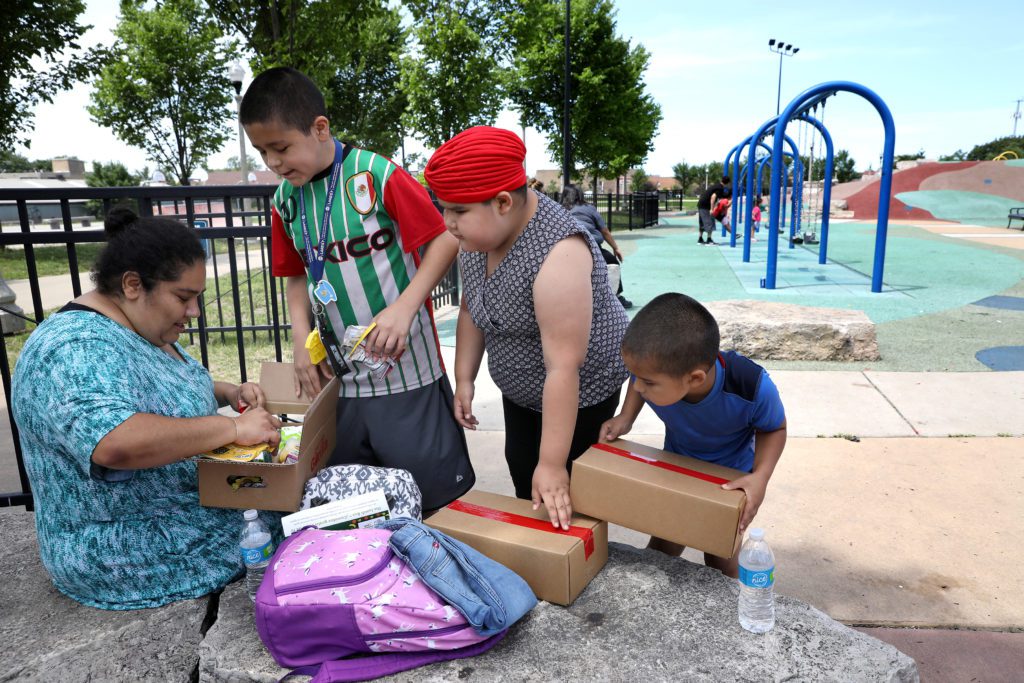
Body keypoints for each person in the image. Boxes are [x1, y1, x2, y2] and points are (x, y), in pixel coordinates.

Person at [11, 207, 283, 610]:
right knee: (289, 518)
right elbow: (114, 441)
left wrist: (227, 391)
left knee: (292, 499)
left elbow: (159, 383)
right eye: (183, 298)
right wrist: (232, 430)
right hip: (121, 542)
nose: (194, 312)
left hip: (176, 511)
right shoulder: (73, 347)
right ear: (134, 285)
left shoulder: (133, 327)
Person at [239, 67, 474, 511]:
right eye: (261, 151)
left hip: (408, 375)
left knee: (426, 498)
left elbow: (446, 237)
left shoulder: (375, 174)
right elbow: (294, 274)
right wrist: (297, 342)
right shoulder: (284, 201)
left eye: (281, 147)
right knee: (355, 502)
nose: (272, 162)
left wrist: (406, 307)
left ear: (320, 128)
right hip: (339, 384)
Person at [424, 126, 629, 531]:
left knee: (566, 487)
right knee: (522, 465)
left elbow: (562, 368)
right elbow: (472, 306)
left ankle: (575, 560)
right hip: (523, 387)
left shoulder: (559, 254)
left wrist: (552, 464)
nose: (448, 223)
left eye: (459, 211)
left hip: (580, 391)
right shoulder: (478, 241)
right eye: (443, 208)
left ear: (502, 202)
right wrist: (465, 378)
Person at [599, 293, 787, 577]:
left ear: (695, 379)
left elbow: (774, 427)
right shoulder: (658, 376)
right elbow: (638, 377)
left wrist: (760, 478)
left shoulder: (750, 387)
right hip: (678, 469)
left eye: (648, 382)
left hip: (728, 481)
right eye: (635, 376)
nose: (638, 387)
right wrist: (626, 417)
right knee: (663, 545)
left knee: (721, 560)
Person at [560, 183, 633, 309]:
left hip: (569, 248)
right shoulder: (589, 208)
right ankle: (617, 296)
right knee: (612, 261)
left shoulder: (560, 210)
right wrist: (615, 248)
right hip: (592, 247)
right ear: (580, 194)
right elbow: (604, 231)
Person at [696, 176, 732, 245]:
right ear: (727, 183)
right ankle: (709, 240)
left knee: (702, 222)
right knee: (710, 222)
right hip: (706, 206)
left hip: (701, 204)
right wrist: (712, 209)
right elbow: (713, 197)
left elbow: (721, 196)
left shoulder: (716, 186)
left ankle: (700, 239)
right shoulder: (720, 188)